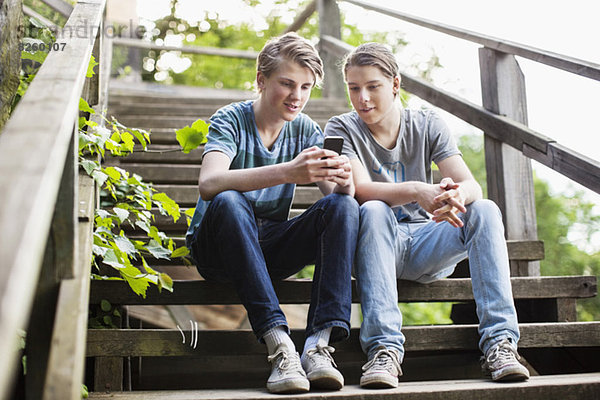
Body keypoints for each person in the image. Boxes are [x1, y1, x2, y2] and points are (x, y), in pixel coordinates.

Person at [324, 42, 530, 389]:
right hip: (377, 245)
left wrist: (456, 193)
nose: (363, 99)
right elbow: (360, 190)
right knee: (373, 209)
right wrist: (419, 190)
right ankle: (384, 351)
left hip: (426, 241)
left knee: (486, 209)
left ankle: (500, 344)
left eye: (372, 87)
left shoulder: (427, 122)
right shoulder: (342, 128)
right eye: (354, 88)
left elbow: (471, 184)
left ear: (394, 84)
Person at [185, 32, 359, 394]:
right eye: (287, 84)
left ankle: (318, 345)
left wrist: (343, 181)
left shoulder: (307, 130)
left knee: (342, 207)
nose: (297, 96)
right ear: (262, 81)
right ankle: (279, 344)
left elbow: (335, 201)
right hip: (218, 249)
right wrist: (288, 172)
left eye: (306, 87)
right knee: (230, 199)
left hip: (269, 250)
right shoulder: (230, 118)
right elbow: (209, 182)